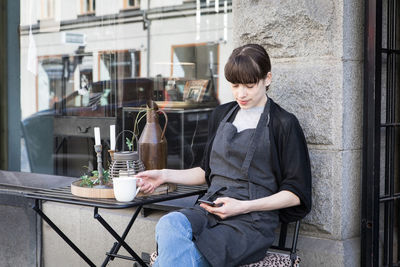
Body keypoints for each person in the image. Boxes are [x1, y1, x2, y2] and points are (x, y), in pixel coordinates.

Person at [137, 43, 312, 266]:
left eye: (249, 85)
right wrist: (163, 174)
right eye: (235, 85)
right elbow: (205, 172)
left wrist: (242, 206)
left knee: (188, 256)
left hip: (251, 222)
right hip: (209, 209)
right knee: (169, 224)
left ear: (267, 79)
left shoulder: (283, 124)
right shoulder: (221, 114)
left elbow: (296, 193)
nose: (241, 93)